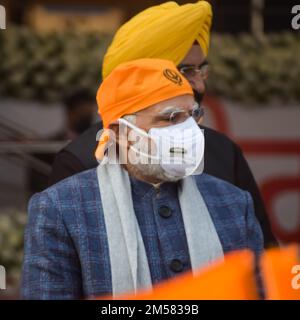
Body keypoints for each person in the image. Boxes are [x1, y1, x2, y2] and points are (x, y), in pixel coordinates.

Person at [22, 59, 263, 299]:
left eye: (193, 116)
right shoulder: (62, 207)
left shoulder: (233, 203)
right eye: (170, 118)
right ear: (120, 132)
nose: (188, 130)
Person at [48, 1, 277, 247]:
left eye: (202, 71)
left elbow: (263, 262)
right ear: (139, 76)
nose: (199, 85)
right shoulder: (79, 162)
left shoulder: (223, 153)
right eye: (186, 71)